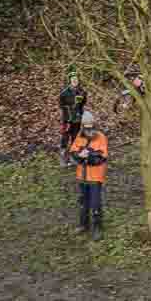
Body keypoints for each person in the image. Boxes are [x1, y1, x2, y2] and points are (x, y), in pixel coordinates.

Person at [69, 111, 108, 241]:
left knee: (95, 203)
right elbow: (73, 152)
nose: (89, 128)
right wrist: (79, 155)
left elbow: (101, 157)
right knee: (83, 202)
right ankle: (83, 225)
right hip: (82, 176)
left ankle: (98, 228)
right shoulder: (79, 137)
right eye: (86, 126)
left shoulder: (101, 137)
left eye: (91, 125)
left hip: (95, 177)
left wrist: (89, 155)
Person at [59, 71, 88, 167]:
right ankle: (63, 159)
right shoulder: (64, 93)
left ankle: (73, 158)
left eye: (76, 79)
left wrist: (80, 113)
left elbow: (83, 104)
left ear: (78, 80)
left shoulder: (82, 92)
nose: (75, 81)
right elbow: (61, 106)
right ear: (70, 81)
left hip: (77, 119)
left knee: (75, 138)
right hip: (67, 119)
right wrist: (71, 108)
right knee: (65, 138)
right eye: (73, 79)